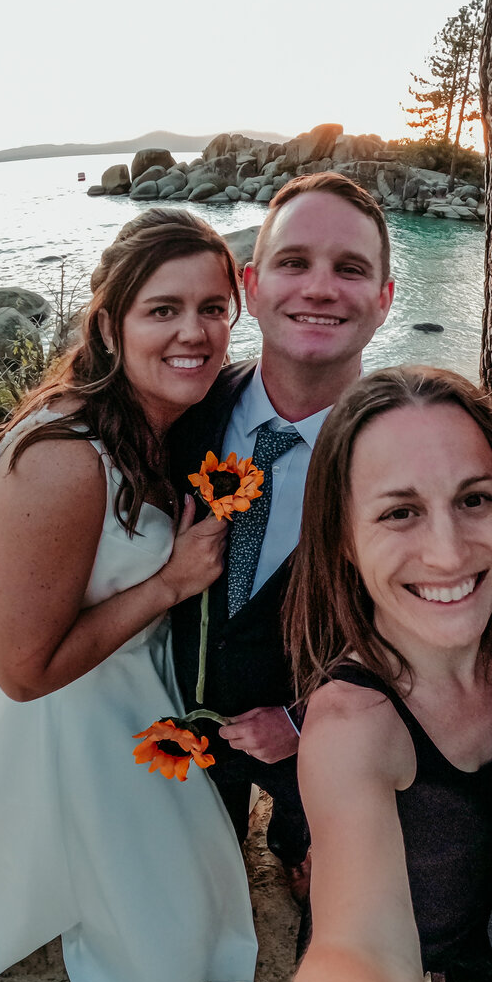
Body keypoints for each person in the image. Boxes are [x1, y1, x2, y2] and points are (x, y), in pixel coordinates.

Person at [0, 208, 258, 982]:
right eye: (162, 310)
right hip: (77, 707)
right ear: (109, 322)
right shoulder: (61, 460)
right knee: (147, 876)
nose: (194, 331)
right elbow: (22, 674)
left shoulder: (167, 421)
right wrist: (170, 583)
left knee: (157, 853)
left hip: (137, 685)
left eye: (213, 306)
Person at [253, 366, 492, 982]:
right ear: (343, 535)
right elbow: (359, 956)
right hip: (410, 970)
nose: (448, 551)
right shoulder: (355, 724)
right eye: (400, 511)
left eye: (474, 498)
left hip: (470, 956)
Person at [169, 173, 394, 902]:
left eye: (351, 268)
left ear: (385, 299)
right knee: (201, 869)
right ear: (253, 286)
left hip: (316, 735)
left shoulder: (406, 458)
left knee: (311, 853)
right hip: (187, 722)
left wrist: (306, 719)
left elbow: (427, 625)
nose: (321, 288)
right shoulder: (183, 412)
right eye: (295, 262)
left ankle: (298, 839)